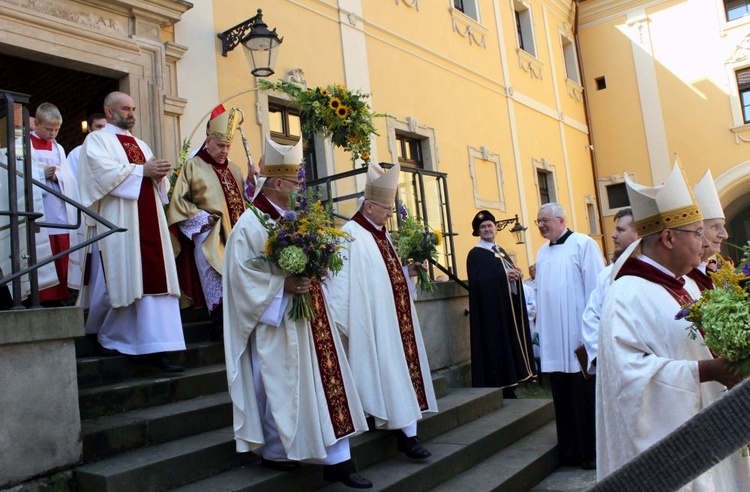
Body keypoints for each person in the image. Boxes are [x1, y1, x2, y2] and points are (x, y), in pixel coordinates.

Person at [222, 137, 371, 488]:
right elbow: (240, 278)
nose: (299, 189)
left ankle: (338, 461)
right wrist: (281, 287)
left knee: (324, 386)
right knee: (281, 387)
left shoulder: (295, 220)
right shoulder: (250, 223)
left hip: (311, 318)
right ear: (276, 183)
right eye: (294, 183)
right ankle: (279, 452)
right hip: (277, 322)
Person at [596, 165, 748, 488]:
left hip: (708, 429)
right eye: (697, 233)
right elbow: (631, 381)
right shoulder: (626, 296)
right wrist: (706, 371)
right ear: (668, 237)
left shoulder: (688, 285)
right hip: (666, 454)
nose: (704, 243)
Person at [329, 162, 438, 460]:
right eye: (387, 207)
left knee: (397, 372)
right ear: (369, 205)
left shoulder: (382, 233)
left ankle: (407, 432)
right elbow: (340, 283)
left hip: (394, 321)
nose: (391, 213)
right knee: (385, 371)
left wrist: (407, 271)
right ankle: (404, 433)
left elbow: (384, 273)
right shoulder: (349, 234)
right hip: (371, 321)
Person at [77, 91, 185, 371]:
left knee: (154, 281)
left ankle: (158, 347)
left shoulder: (141, 144)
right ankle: (113, 337)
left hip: (149, 219)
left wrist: (159, 176)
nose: (131, 113)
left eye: (134, 108)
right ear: (109, 111)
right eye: (125, 108)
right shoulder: (97, 140)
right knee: (126, 281)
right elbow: (98, 175)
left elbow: (153, 184)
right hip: (121, 221)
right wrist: (142, 172)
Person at [534, 202, 604, 470]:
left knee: (582, 395)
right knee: (561, 395)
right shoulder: (541, 253)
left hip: (578, 335)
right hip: (554, 337)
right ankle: (569, 450)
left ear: (561, 220)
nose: (541, 225)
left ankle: (589, 451)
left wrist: (591, 332)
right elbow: (542, 293)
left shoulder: (583, 245)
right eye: (539, 221)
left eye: (545, 220)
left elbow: (595, 290)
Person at [168, 105, 245, 340]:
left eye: (228, 146)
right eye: (220, 146)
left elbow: (243, 201)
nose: (224, 151)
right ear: (208, 141)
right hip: (208, 233)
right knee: (216, 279)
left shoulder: (235, 168)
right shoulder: (193, 165)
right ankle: (219, 326)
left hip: (237, 235)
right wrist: (202, 219)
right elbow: (178, 202)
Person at [466, 210, 535, 398]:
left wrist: (514, 276)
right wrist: (504, 276)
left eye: (489, 225)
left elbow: (506, 275)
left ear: (495, 228)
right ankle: (501, 386)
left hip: (506, 310)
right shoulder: (476, 255)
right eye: (483, 227)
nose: (487, 229)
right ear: (478, 231)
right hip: (490, 315)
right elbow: (478, 283)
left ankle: (513, 383)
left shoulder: (501, 251)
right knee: (496, 348)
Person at [30, 102, 83, 305]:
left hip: (60, 209)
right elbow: (18, 176)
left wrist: (57, 177)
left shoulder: (59, 147)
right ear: (36, 123)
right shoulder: (23, 144)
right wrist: (41, 174)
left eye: (56, 129)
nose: (53, 133)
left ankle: (61, 296)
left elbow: (68, 177)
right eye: (48, 129)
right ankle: (41, 298)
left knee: (62, 252)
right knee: (43, 253)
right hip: (40, 208)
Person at [579, 208, 639, 375]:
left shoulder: (654, 272)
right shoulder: (607, 274)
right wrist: (601, 356)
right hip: (610, 365)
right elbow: (591, 316)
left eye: (620, 230)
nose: (613, 235)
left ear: (639, 234)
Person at [686, 170, 729, 292]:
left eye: (723, 226)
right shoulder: (682, 279)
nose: (725, 235)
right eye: (715, 227)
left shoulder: (711, 276)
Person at [66, 113, 106, 177]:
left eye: (105, 127)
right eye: (99, 126)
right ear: (89, 129)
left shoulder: (115, 150)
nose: (103, 130)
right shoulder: (76, 153)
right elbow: (70, 179)